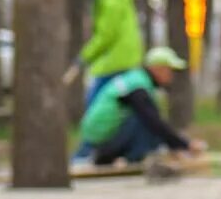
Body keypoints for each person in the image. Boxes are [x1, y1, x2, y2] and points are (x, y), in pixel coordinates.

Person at [74, 46, 206, 167]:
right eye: (170, 71)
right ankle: (127, 158)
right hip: (101, 140)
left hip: (99, 135)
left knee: (149, 122)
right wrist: (185, 145)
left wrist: (176, 145)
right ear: (158, 69)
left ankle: (117, 157)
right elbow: (154, 123)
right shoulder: (138, 87)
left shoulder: (136, 80)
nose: (171, 76)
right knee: (146, 123)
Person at [68, 0, 142, 106]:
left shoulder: (109, 1)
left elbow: (105, 36)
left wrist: (82, 58)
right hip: (126, 57)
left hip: (115, 61)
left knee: (94, 105)